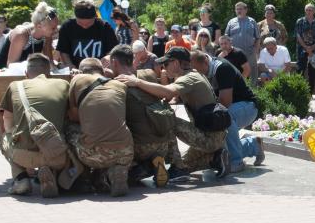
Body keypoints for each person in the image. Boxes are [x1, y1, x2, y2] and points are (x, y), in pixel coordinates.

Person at [116, 46, 231, 181]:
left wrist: (138, 82)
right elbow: (169, 96)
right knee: (186, 163)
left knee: (168, 118)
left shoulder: (189, 78)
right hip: (213, 135)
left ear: (176, 63)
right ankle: (215, 159)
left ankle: (178, 168)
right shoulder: (196, 75)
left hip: (208, 138)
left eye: (166, 64)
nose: (164, 68)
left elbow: (168, 92)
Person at [0, 54, 71, 198]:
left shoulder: (15, 86)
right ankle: (54, 173)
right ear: (49, 73)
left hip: (24, 156)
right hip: (57, 153)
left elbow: (7, 119)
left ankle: (21, 178)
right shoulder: (63, 84)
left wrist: (15, 137)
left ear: (25, 73)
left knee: (4, 139)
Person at [108, 44, 175, 188]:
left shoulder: (116, 85)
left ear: (114, 62)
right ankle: (158, 161)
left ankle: (144, 168)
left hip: (141, 147)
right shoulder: (148, 74)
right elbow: (169, 94)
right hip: (163, 143)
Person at [65, 58, 133, 197]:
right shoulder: (119, 85)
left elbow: (74, 116)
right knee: (111, 128)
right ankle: (115, 170)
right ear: (102, 71)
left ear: (82, 71)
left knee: (69, 128)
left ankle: (83, 176)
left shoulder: (78, 79)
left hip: (92, 155)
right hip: (126, 152)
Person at [190, 50, 264, 171]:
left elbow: (225, 102)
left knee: (224, 117)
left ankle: (237, 161)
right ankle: (253, 145)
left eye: (197, 69)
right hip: (235, 106)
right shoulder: (206, 69)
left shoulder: (222, 68)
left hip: (248, 106)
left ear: (205, 62)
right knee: (220, 127)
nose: (196, 73)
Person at [56, 0, 119, 69]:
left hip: (100, 70)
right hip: (75, 70)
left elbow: (113, 50)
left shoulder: (105, 27)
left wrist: (108, 57)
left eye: (89, 23)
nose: (84, 26)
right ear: (75, 17)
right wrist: (70, 66)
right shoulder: (67, 27)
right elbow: (64, 51)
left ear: (95, 17)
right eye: (80, 23)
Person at [0, 3, 59, 69]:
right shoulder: (21, 34)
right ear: (39, 26)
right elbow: (11, 66)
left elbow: (49, 62)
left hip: (25, 73)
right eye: (53, 28)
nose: (56, 30)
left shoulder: (47, 35)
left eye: (56, 27)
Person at [225, 2, 259, 79]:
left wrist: (256, 51)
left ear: (246, 10)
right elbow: (226, 37)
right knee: (235, 72)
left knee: (252, 73)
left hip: (249, 52)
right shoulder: (231, 22)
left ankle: (253, 89)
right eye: (237, 9)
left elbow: (258, 38)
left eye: (240, 9)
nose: (238, 11)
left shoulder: (252, 21)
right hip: (235, 53)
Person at [295, 3, 315, 95]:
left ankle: (310, 94)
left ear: (314, 11)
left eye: (310, 10)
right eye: (307, 10)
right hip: (302, 50)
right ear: (305, 11)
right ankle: (299, 93)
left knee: (312, 73)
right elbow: (298, 36)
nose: (309, 12)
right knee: (300, 71)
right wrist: (306, 48)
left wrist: (312, 48)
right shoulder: (300, 21)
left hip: (314, 52)